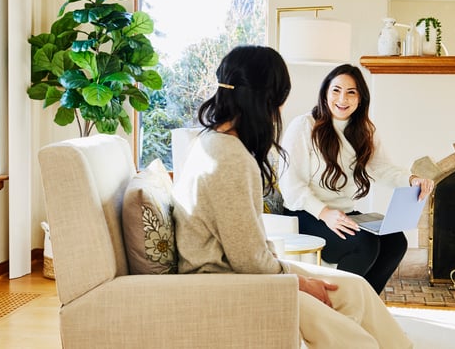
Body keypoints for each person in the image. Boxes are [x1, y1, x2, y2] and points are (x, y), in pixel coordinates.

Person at [172, 46, 413, 349]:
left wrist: (289, 269)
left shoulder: (214, 142)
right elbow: (249, 259)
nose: (281, 110)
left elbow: (249, 245)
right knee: (353, 327)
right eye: (280, 99)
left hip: (242, 269)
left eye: (351, 93)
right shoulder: (229, 157)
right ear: (265, 100)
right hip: (226, 280)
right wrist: (298, 279)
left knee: (356, 289)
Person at [278, 64, 434, 295]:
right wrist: (324, 213)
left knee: (396, 242)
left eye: (351, 92)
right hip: (306, 215)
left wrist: (412, 179)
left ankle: (362, 306)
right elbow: (291, 185)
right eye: (336, 90)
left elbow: (382, 168)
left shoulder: (364, 130)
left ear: (360, 98)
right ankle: (338, 311)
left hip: (342, 214)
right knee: (364, 245)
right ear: (325, 93)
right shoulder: (304, 126)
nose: (343, 98)